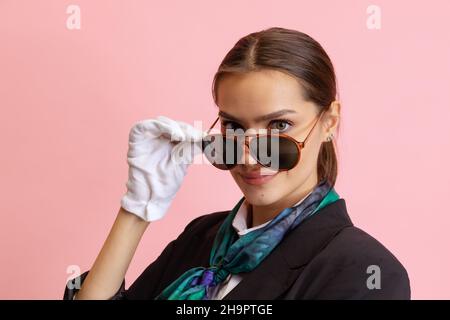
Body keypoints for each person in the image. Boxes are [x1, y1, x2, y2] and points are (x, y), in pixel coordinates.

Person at [64, 27, 410, 300]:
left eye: (279, 127)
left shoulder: (364, 269)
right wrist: (136, 211)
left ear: (329, 121)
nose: (247, 157)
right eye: (234, 127)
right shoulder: (201, 237)